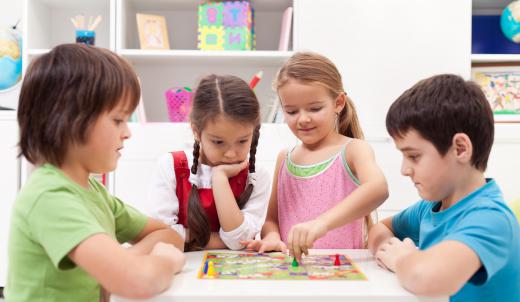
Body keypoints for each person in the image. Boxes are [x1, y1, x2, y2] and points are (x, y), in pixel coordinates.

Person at [6, 44, 186, 302]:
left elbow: (169, 235)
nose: (127, 132)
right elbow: (138, 282)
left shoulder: (93, 192)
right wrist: (162, 262)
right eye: (117, 120)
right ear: (69, 119)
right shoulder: (49, 197)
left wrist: (122, 264)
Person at [368, 74, 520, 301]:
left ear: (460, 149)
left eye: (414, 156)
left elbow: (425, 277)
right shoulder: (429, 208)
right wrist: (387, 249)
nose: (404, 169)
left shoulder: (492, 219)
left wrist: (401, 259)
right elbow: (379, 229)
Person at [242, 52, 388, 260]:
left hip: (344, 273)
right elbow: (271, 220)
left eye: (315, 108)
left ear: (338, 103)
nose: (303, 119)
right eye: (291, 112)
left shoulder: (353, 150)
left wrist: (321, 223)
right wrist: (272, 236)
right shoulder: (285, 158)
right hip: (293, 273)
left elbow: (378, 188)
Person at [148, 74, 270, 251]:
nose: (230, 154)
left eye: (243, 141)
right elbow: (160, 235)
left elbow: (238, 242)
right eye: (218, 142)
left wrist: (219, 178)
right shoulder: (171, 166)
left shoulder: (256, 175)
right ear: (196, 131)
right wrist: (218, 241)